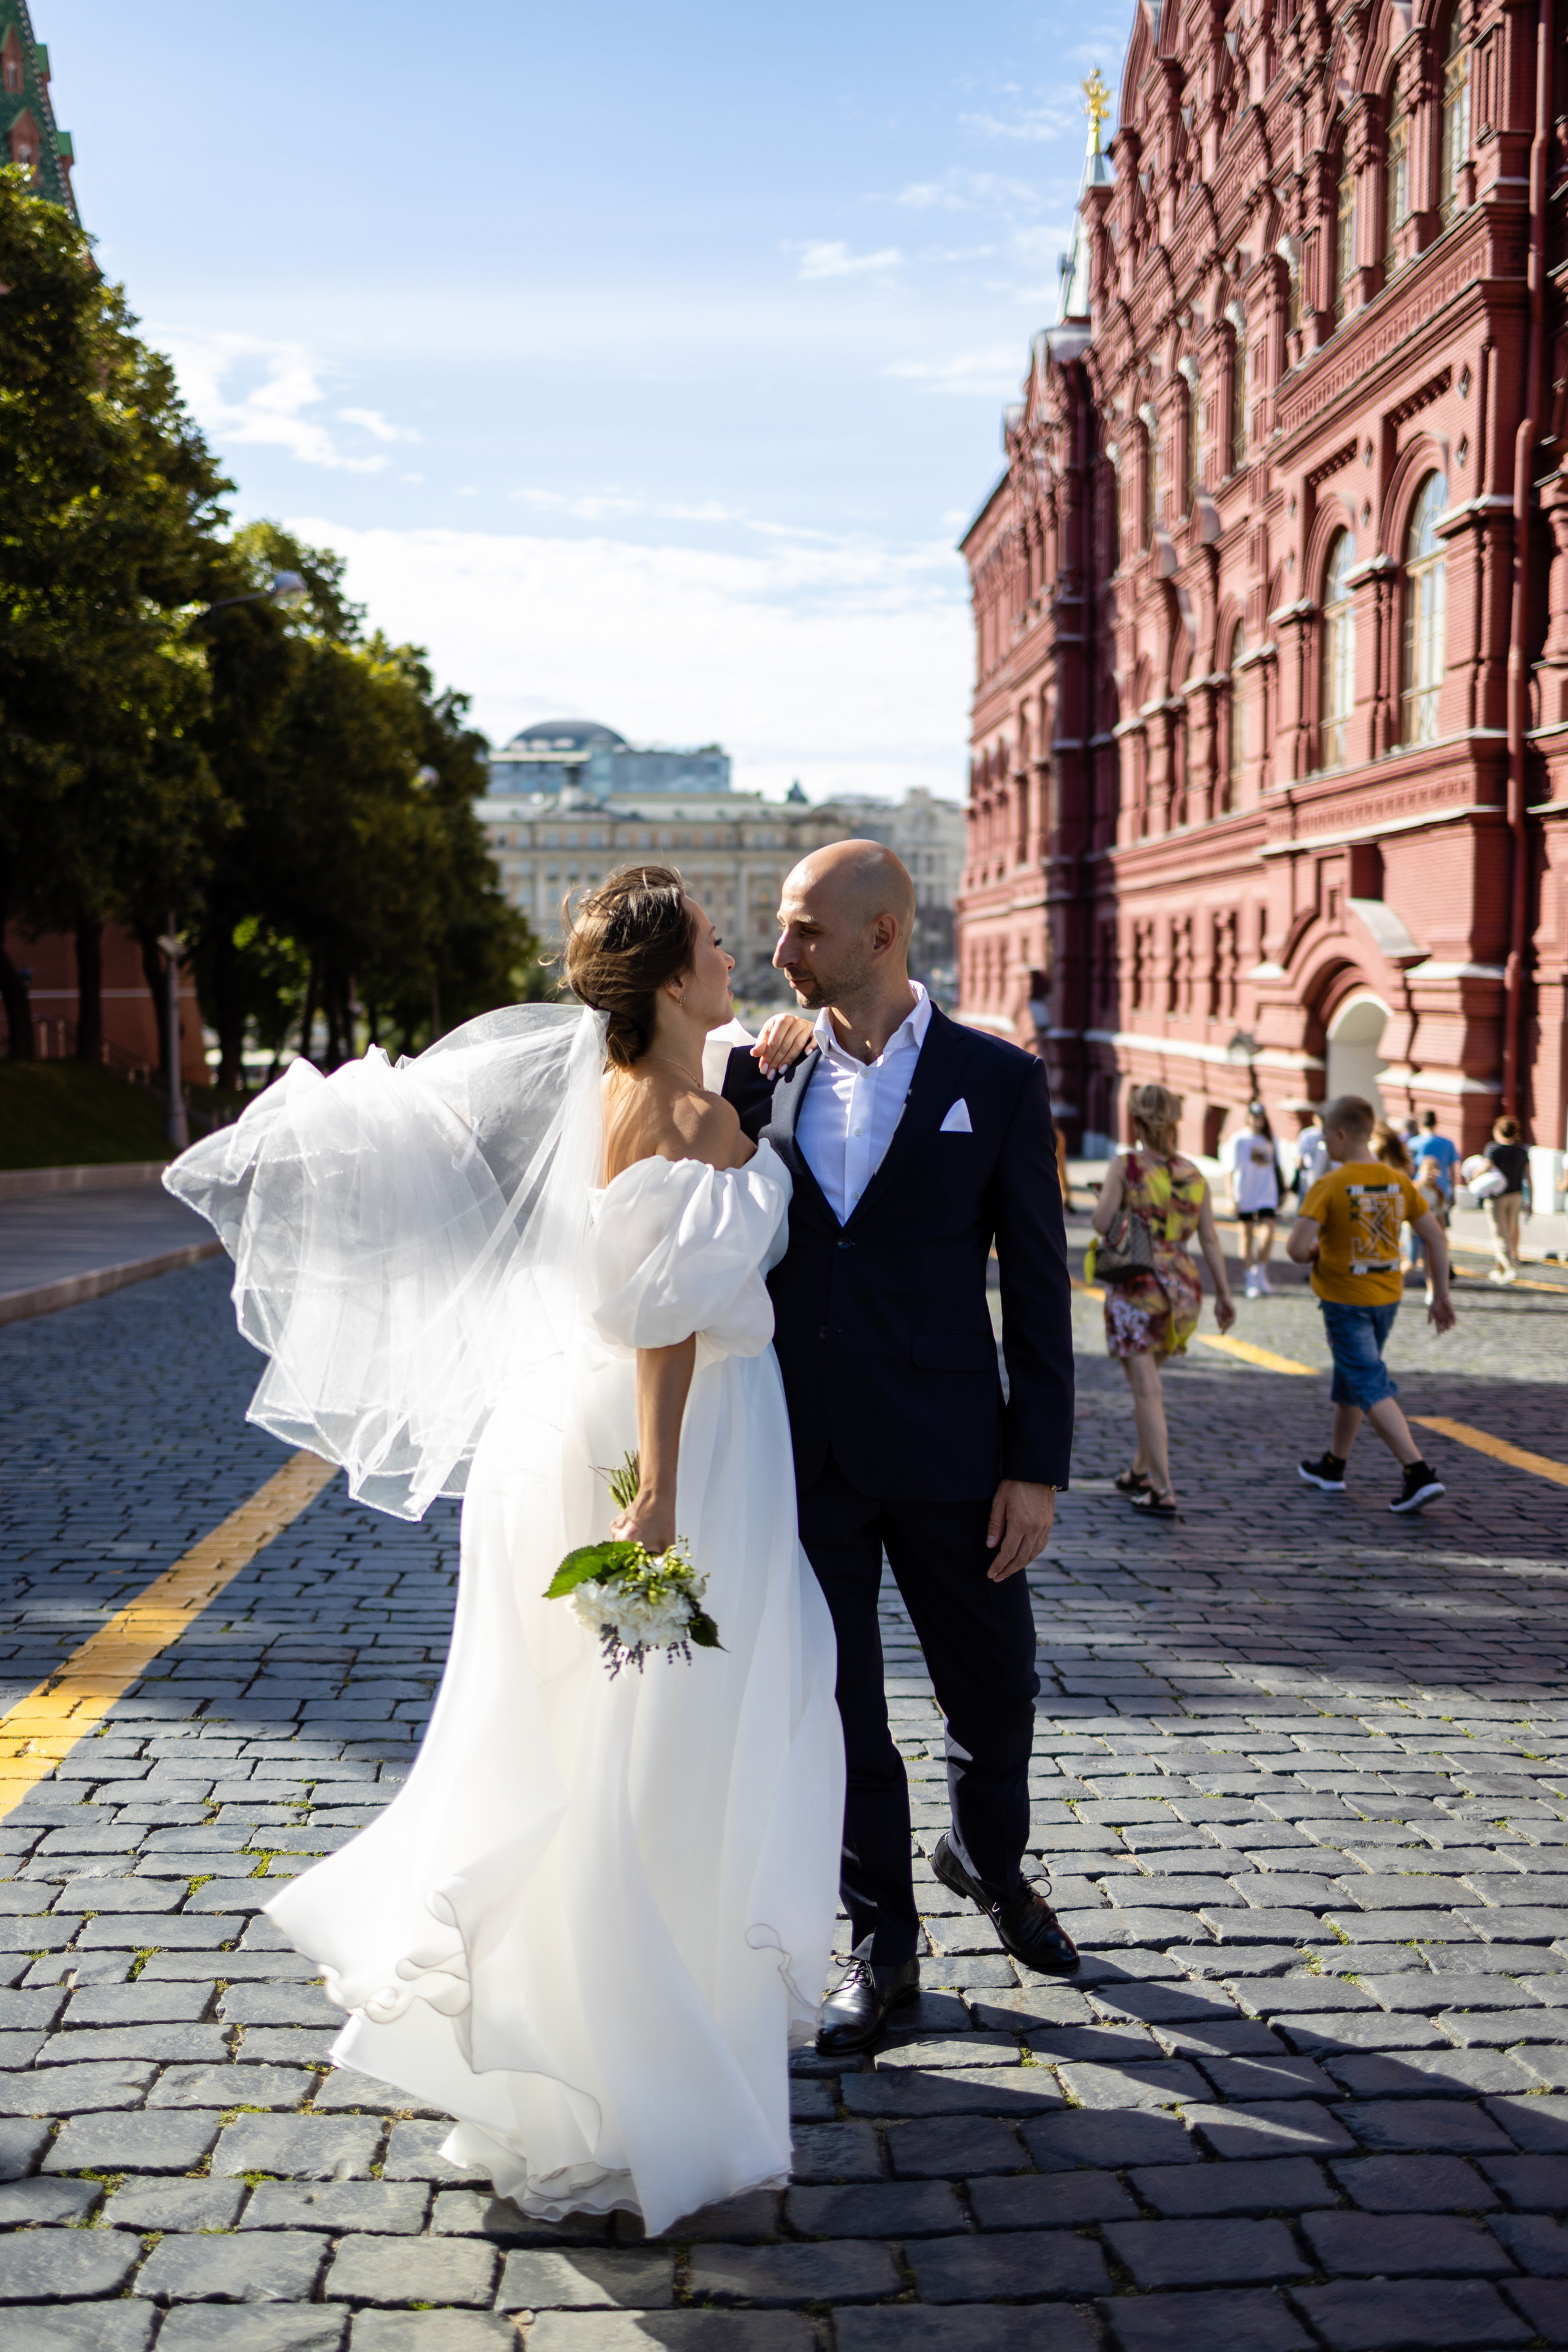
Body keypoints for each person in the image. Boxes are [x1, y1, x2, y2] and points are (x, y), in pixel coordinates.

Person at [165, 866, 845, 2234]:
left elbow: (666, 1215)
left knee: (583, 1742)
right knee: (660, 1760)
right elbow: (663, 1314)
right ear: (665, 979)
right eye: (717, 947)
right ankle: (639, 2078)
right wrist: (655, 1495)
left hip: (561, 1433)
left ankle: (573, 2067)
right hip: (675, 1447)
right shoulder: (688, 1110)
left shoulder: (625, 1085)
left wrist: (752, 1071)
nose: (736, 964)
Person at [721, 839, 1079, 2054]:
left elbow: (1037, 1288)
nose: (779, 954)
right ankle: (883, 1950)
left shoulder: (999, 1078)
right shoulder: (760, 1076)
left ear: (881, 933)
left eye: (801, 931)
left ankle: (986, 1860)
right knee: (837, 1713)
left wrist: (1033, 1464)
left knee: (997, 1698)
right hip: (804, 1451)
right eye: (776, 930)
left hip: (954, 1458)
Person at [1288, 1093, 1457, 1513]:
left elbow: (1295, 1248)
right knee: (1352, 1381)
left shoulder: (1328, 1185)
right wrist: (1440, 1296)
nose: (1324, 1144)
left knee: (1367, 1382)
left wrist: (1315, 1254)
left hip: (1345, 1300)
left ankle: (1417, 1472)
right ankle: (1333, 1466)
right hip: (1387, 1298)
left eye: (1326, 1136)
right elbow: (1436, 1238)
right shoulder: (1399, 1181)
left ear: (1342, 1135)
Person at [1089, 1082, 1236, 1517]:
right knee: (1149, 1382)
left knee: (1146, 1391)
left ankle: (1163, 1488)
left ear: (1136, 1121)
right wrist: (1225, 1294)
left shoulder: (1126, 1166)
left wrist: (1110, 1203)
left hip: (1139, 1286)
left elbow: (1100, 1223)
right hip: (1184, 1288)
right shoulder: (1195, 1173)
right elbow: (1209, 1237)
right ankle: (1139, 1470)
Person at [1226, 1100, 1284, 1297]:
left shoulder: (1271, 1139)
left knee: (1269, 1232)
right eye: (1254, 1117)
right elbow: (1230, 1170)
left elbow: (1277, 1166)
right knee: (1247, 1236)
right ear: (1248, 1118)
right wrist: (1231, 1197)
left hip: (1267, 1193)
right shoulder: (1239, 1140)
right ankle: (1249, 1277)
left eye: (1260, 1118)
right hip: (1245, 1193)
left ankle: (1260, 1269)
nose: (1257, 1121)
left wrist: (1282, 1190)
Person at [1483, 1114, 1531, 1285]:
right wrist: (1531, 1200)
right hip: (1517, 1195)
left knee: (1498, 1234)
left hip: (1498, 1197)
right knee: (1509, 1232)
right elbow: (1529, 1177)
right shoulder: (1522, 1151)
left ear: (1498, 1131)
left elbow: (1484, 1169)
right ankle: (1499, 1269)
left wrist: (1473, 1175)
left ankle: (1510, 1267)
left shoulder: (1494, 1149)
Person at [1415, 1107, 1459, 1208]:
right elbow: (1453, 1172)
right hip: (1442, 1189)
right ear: (1436, 1124)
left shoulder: (1413, 1143)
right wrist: (1454, 1192)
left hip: (1420, 1190)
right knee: (1441, 1222)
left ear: (1420, 1125)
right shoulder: (1448, 1143)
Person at [1294, 1109, 1331, 1199]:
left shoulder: (1307, 1134)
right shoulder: (1310, 1135)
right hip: (1318, 1181)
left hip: (1310, 1181)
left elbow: (1299, 1161)